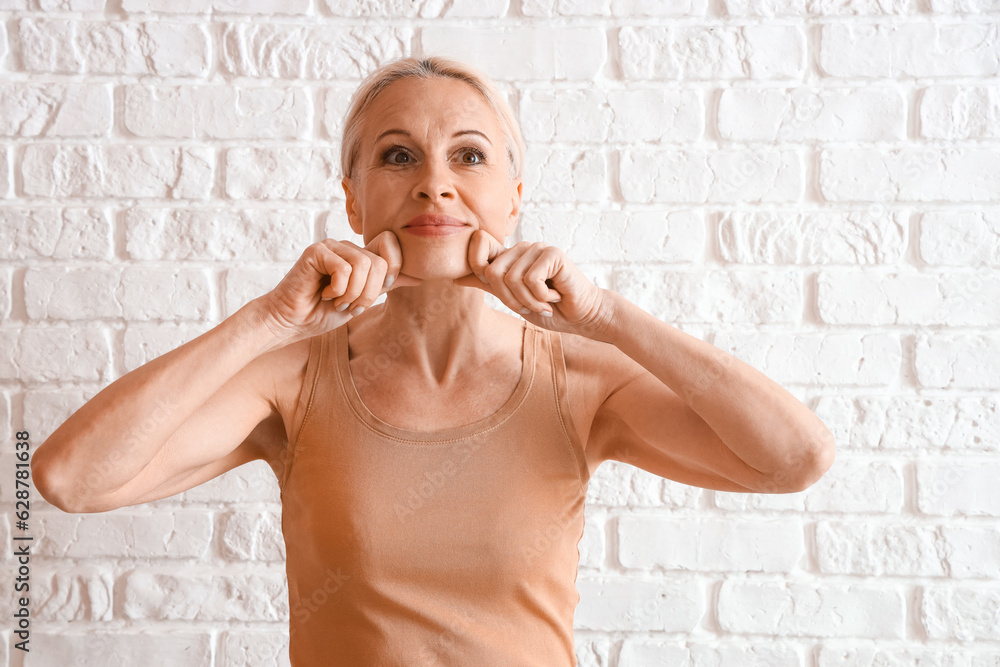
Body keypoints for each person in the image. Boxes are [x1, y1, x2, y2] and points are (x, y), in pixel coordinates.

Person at [32, 56, 836, 665]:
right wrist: (268, 319)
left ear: (515, 194)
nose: (435, 187)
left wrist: (604, 316)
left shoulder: (581, 381)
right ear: (353, 198)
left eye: (471, 157)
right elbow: (71, 478)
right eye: (397, 157)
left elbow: (797, 457)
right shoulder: (292, 380)